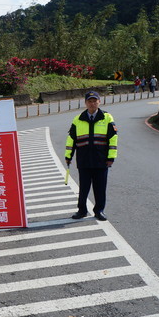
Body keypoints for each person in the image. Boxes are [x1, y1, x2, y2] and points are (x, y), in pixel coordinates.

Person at [65, 91, 118, 221]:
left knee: (100, 188)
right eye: (90, 101)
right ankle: (82, 210)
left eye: (95, 101)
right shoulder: (78, 119)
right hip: (84, 160)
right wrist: (68, 156)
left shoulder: (107, 117)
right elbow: (71, 139)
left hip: (101, 160)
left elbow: (113, 139)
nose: (92, 103)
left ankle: (99, 211)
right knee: (83, 188)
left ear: (99, 102)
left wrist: (111, 158)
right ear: (85, 103)